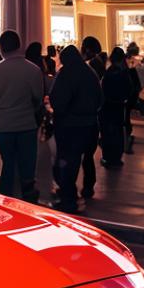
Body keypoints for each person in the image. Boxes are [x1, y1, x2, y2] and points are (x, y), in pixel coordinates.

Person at [0, 30, 44, 201]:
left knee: (8, 162)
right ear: (20, 45)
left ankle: (6, 197)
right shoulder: (33, 70)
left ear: (1, 48)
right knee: (27, 164)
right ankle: (28, 196)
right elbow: (38, 97)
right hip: (26, 124)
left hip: (2, 126)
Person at [49, 44, 103, 211]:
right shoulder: (90, 73)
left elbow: (58, 100)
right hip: (90, 124)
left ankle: (68, 197)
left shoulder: (65, 74)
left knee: (67, 161)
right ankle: (88, 187)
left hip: (69, 125)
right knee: (87, 157)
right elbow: (100, 99)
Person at [99, 46, 130, 168]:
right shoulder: (124, 71)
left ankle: (108, 157)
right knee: (117, 130)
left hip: (108, 105)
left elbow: (104, 88)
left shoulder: (110, 71)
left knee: (108, 132)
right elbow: (129, 89)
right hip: (119, 105)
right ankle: (117, 157)